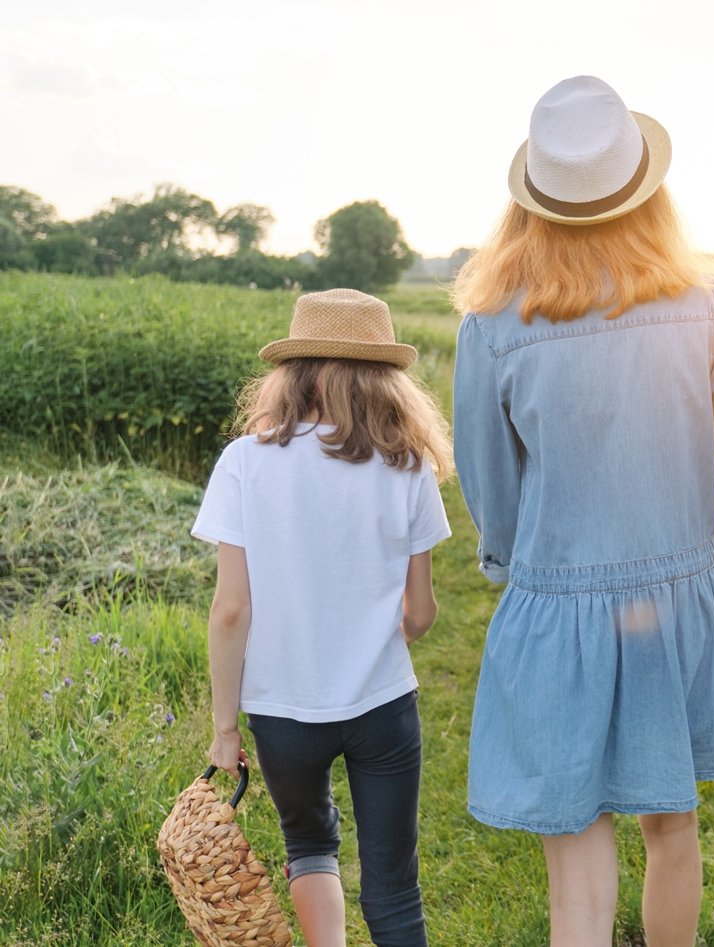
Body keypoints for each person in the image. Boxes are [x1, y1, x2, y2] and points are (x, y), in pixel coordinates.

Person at [451, 75, 714, 947]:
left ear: (531, 203)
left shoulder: (491, 325)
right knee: (673, 830)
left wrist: (514, 567)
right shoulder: (704, 305)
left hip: (553, 613)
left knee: (575, 880)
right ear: (647, 190)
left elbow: (488, 486)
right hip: (676, 610)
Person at [194, 288, 453, 947]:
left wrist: (225, 728)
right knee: (394, 885)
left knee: (308, 841)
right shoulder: (409, 465)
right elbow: (420, 612)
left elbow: (231, 610)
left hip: (282, 710)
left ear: (292, 371)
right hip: (383, 705)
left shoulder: (245, 462)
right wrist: (371, 633)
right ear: (387, 380)